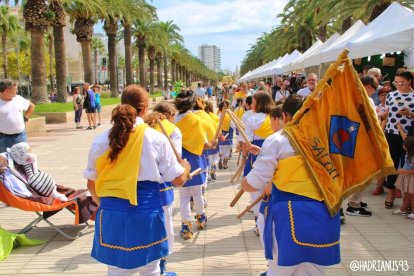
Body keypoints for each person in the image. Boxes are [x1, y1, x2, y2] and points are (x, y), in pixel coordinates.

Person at [84, 85, 191, 275]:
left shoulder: (101, 140)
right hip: (145, 211)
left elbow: (91, 183)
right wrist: (185, 168)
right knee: (150, 268)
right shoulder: (155, 138)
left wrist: (107, 202)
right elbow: (177, 179)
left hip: (110, 211)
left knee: (116, 269)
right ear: (145, 107)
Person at [242, 95, 340, 275]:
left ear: (285, 116)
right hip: (326, 214)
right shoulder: (330, 139)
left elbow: (253, 183)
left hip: (291, 215)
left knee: (280, 270)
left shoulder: (278, 139)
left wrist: (247, 179)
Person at [147, 101, 182, 276]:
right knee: (165, 227)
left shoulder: (143, 128)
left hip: (141, 188)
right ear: (170, 116)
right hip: (163, 186)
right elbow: (175, 161)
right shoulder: (173, 130)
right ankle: (160, 268)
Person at [174, 91, 214, 240]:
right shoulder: (197, 120)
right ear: (192, 103)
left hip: (180, 160)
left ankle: (186, 225)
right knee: (197, 193)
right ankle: (201, 218)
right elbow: (205, 144)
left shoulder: (174, 120)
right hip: (196, 159)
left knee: (183, 196)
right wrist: (213, 143)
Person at [241, 91, 274, 236]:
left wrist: (243, 157)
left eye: (253, 102)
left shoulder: (252, 119)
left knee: (255, 190)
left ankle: (259, 221)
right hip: (274, 156)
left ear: (258, 103)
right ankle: (269, 220)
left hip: (256, 156)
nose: (252, 104)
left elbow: (246, 143)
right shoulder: (276, 117)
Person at [384, 70, 414, 209]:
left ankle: (407, 198)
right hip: (391, 133)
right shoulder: (391, 95)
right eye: (396, 83)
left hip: (410, 136)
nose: (399, 85)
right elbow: (387, 114)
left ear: (409, 81)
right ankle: (390, 193)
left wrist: (409, 113)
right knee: (392, 164)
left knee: (407, 165)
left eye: (402, 82)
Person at [0, 80, 35, 153]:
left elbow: (31, 106)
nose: (17, 91)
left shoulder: (18, 99)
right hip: (3, 138)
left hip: (20, 136)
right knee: (5, 161)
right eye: (15, 90)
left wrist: (26, 117)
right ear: (7, 91)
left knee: (24, 160)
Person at [393, 135, 414, 219]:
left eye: (404, 144)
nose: (402, 146)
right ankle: (403, 209)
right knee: (406, 194)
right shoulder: (408, 154)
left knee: (412, 195)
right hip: (406, 177)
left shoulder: (412, 157)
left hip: (411, 178)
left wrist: (404, 171)